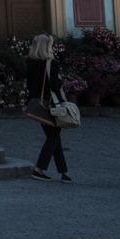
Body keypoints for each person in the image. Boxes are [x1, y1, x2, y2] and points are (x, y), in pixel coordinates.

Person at [26, 33, 72, 183]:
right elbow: (55, 86)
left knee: (54, 137)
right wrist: (63, 100)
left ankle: (64, 172)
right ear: (47, 46)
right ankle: (39, 169)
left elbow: (29, 86)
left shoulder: (30, 63)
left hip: (37, 105)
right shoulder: (52, 63)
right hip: (52, 104)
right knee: (53, 137)